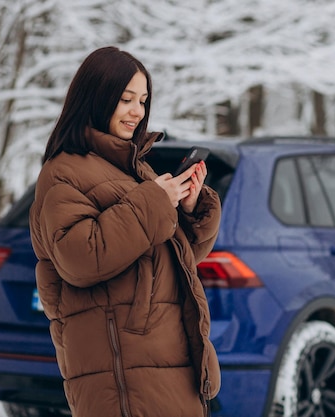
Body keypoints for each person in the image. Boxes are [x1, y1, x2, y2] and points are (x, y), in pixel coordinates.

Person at [28, 46, 221, 417]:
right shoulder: (63, 173)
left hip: (167, 362)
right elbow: (81, 257)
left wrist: (189, 208)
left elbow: (167, 260)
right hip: (123, 377)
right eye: (126, 99)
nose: (138, 112)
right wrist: (153, 204)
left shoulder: (132, 168)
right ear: (97, 97)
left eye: (144, 100)